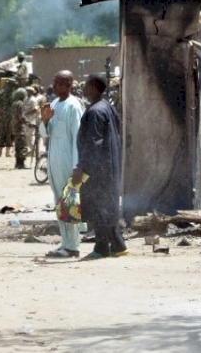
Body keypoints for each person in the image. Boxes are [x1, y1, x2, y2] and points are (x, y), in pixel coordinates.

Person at [74, 74, 127, 261]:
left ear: (95, 87)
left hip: (98, 168)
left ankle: (106, 247)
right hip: (110, 166)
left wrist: (81, 167)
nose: (83, 88)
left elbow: (93, 142)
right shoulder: (108, 108)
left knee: (100, 208)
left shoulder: (95, 111)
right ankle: (112, 246)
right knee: (107, 206)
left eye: (86, 85)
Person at [40, 70, 84, 258]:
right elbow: (46, 133)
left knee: (69, 201)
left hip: (68, 159)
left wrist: (77, 166)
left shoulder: (74, 106)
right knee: (59, 201)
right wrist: (45, 119)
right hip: (55, 158)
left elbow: (78, 138)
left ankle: (73, 245)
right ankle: (65, 243)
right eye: (54, 82)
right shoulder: (55, 104)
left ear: (68, 85)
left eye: (59, 83)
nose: (55, 86)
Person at [0, 79, 17, 157]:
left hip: (2, 116)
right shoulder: (13, 94)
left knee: (2, 133)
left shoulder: (1, 93)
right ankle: (7, 152)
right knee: (8, 134)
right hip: (10, 116)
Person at [11, 87, 29, 169]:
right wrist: (29, 123)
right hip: (20, 127)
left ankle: (17, 163)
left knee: (17, 146)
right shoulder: (20, 104)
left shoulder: (14, 103)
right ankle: (21, 164)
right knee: (22, 145)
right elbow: (21, 116)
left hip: (14, 127)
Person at [22, 86, 39, 156]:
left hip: (31, 120)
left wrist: (26, 113)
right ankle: (30, 150)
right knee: (26, 136)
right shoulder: (25, 99)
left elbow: (35, 110)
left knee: (31, 136)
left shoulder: (33, 100)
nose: (27, 92)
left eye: (29, 91)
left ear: (32, 92)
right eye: (27, 91)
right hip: (25, 120)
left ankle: (34, 151)